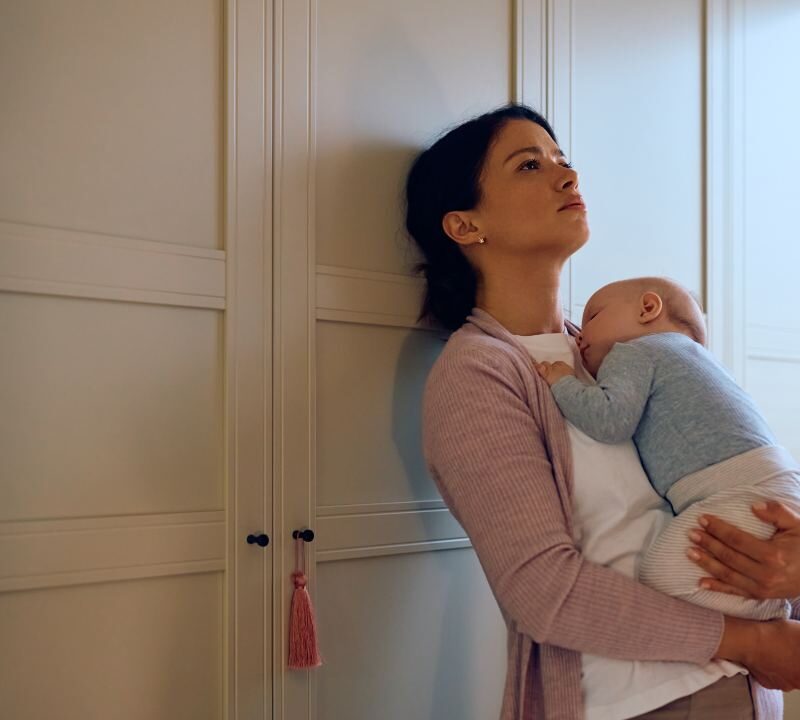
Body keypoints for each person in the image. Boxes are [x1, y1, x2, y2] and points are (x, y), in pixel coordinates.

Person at [406, 103, 800, 720]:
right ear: (464, 225)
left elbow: (720, 487)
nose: (568, 177)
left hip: (744, 689)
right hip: (641, 701)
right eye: (529, 165)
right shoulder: (477, 373)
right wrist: (753, 642)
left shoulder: (620, 354)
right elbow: (543, 591)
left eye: (565, 161)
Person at [533, 276, 800, 621]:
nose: (580, 336)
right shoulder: (694, 361)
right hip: (772, 483)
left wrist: (562, 381)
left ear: (648, 308)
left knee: (662, 575)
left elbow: (609, 420)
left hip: (740, 490)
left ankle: (778, 617)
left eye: (593, 318)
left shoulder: (635, 351)